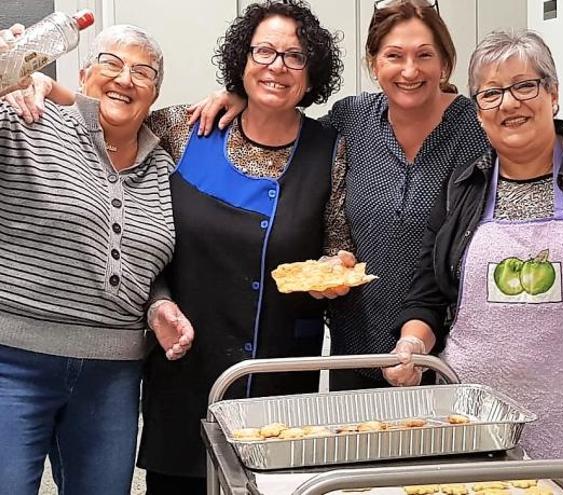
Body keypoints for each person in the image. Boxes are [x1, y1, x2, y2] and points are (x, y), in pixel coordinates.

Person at [186, 0, 563, 392]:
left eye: (424, 55)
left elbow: (543, 143)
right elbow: (288, 130)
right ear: (374, 64)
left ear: (446, 64)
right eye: (394, 56)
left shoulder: (477, 123)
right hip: (358, 346)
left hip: (450, 356)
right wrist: (243, 98)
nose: (409, 70)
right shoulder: (350, 120)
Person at [4, 1, 349, 491]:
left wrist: (335, 268)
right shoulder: (184, 128)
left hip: (275, 376)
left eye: (294, 56)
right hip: (182, 374)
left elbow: (338, 244)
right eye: (264, 52)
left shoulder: (329, 148)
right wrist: (32, 81)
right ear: (242, 61)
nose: (277, 65)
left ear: (312, 72)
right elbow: (107, 114)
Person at [383, 30, 563, 493]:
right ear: (479, 112)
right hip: (475, 418)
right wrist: (412, 346)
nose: (509, 103)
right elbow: (428, 293)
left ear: (553, 94)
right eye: (492, 94)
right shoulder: (464, 185)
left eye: (525, 86)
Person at [0, 23, 184, 495]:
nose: (126, 79)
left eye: (143, 72)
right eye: (112, 63)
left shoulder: (164, 166)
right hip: (13, 362)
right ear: (84, 74)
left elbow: (157, 259)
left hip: (113, 375)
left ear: (155, 93)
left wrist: (158, 303)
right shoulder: (28, 118)